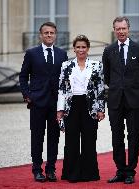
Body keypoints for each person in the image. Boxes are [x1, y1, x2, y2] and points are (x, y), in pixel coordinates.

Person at [19, 21, 68, 182]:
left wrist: (65, 102)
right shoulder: (32, 53)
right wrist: (27, 95)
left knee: (54, 138)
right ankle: (37, 169)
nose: (49, 35)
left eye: (51, 33)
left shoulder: (62, 54)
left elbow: (66, 79)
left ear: (55, 35)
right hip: (37, 102)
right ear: (41, 35)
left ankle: (51, 169)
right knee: (37, 137)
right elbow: (23, 76)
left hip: (56, 103)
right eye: (46, 33)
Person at [102, 16, 139, 184]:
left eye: (123, 28)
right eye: (118, 29)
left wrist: (134, 89)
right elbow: (107, 77)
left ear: (128, 29)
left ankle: (131, 171)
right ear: (114, 30)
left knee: (134, 136)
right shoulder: (109, 50)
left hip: (134, 101)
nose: (121, 31)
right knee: (117, 136)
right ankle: (120, 170)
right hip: (115, 101)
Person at [56, 34, 105, 182]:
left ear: (88, 48)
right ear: (74, 49)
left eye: (83, 47)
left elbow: (100, 89)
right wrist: (60, 109)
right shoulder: (66, 65)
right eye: (78, 47)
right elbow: (62, 89)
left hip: (89, 105)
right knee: (71, 140)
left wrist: (101, 109)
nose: (81, 49)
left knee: (89, 139)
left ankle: (89, 173)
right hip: (71, 106)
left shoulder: (97, 65)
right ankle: (72, 173)